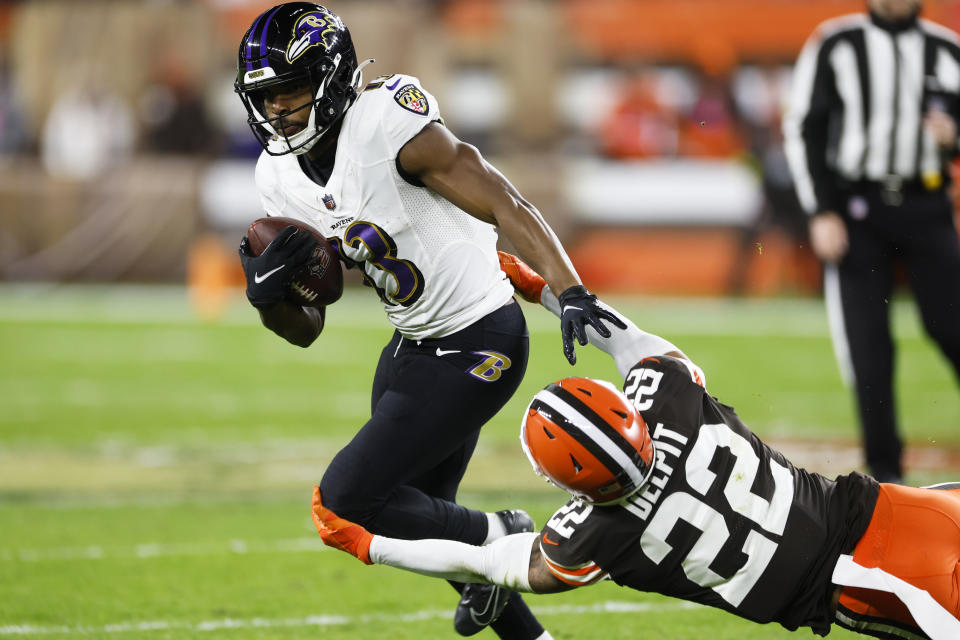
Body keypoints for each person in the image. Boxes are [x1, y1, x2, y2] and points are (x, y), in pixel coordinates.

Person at [313, 253, 960, 640]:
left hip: (856, 588)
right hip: (888, 510)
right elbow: (625, 339)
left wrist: (370, 545)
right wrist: (540, 287)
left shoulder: (597, 535)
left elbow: (491, 564)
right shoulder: (672, 401)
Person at [232, 4, 624, 639]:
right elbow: (308, 326)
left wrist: (569, 286)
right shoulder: (277, 176)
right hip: (410, 346)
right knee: (423, 522)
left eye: (291, 92)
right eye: (267, 99)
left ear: (329, 79)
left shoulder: (386, 123)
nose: (278, 112)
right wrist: (269, 297)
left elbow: (502, 197)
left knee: (350, 499)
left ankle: (504, 532)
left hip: (480, 337)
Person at [782, 0, 960, 484]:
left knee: (953, 328)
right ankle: (888, 477)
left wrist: (954, 137)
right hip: (857, 211)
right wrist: (821, 210)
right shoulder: (837, 42)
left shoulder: (947, 49)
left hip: (928, 206)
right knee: (869, 349)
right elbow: (804, 128)